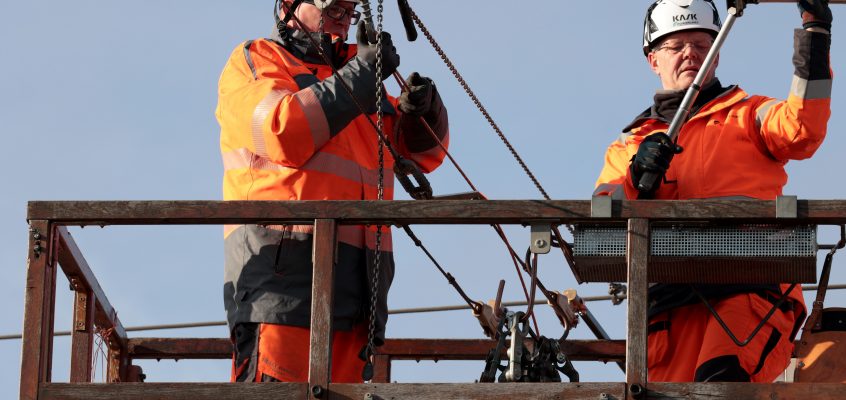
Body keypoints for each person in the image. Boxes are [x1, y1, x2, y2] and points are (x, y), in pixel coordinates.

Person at [594, 0, 832, 382]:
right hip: (668, 316)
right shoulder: (629, 146)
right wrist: (639, 175)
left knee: (719, 381)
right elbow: (604, 221)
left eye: (702, 45)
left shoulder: (751, 115)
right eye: (676, 46)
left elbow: (802, 128)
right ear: (654, 60)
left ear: (716, 56)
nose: (690, 53)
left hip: (751, 292)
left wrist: (815, 36)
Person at [216, 0, 449, 383]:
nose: (341, 23)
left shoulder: (359, 82)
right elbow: (283, 130)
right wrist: (360, 75)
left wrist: (420, 110)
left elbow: (426, 155)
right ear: (289, 6)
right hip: (281, 286)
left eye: (348, 12)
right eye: (333, 9)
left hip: (359, 295)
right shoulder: (258, 60)